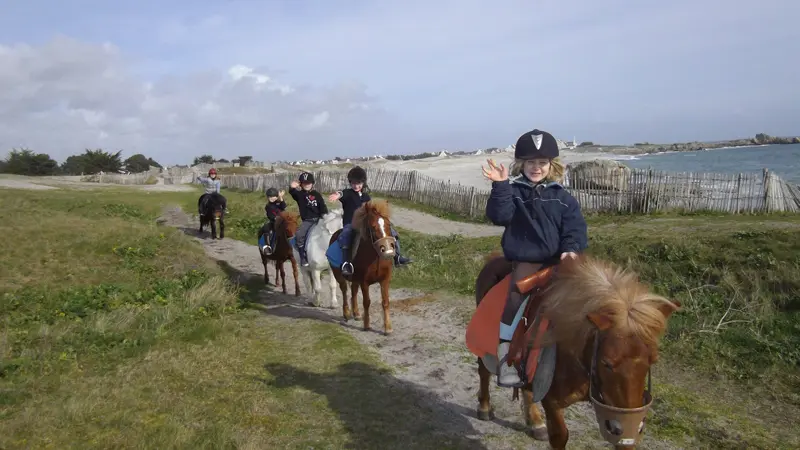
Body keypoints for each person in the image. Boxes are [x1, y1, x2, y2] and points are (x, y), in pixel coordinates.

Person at [482, 129, 588, 387]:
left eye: (542, 163)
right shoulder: (513, 192)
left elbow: (574, 229)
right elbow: (500, 216)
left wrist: (571, 250)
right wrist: (500, 185)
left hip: (558, 263)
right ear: (522, 164)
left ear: (551, 165)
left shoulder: (564, 199)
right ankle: (505, 352)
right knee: (516, 297)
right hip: (527, 262)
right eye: (531, 163)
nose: (536, 168)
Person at [328, 166, 412, 276]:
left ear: (363, 183)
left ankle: (398, 256)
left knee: (391, 230)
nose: (356, 186)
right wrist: (337, 194)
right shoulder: (348, 193)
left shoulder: (366, 196)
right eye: (353, 183)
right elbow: (342, 193)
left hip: (365, 225)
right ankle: (346, 263)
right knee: (346, 235)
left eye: (359, 183)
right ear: (350, 183)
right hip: (351, 224)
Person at [290, 172, 328, 267]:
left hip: (319, 219)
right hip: (308, 221)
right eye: (304, 183)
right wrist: (292, 187)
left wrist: (325, 217)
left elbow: (322, 207)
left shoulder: (317, 195)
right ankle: (303, 256)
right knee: (299, 234)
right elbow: (292, 192)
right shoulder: (299, 195)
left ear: (312, 183)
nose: (307, 185)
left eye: (308, 183)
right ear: (301, 184)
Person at [258, 187, 287, 255]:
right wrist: (275, 218)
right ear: (267, 197)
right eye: (270, 197)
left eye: (274, 196)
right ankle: (267, 246)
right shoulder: (268, 206)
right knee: (267, 229)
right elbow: (270, 215)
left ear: (277, 197)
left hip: (283, 221)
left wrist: (281, 198)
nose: (272, 198)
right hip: (274, 221)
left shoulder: (278, 203)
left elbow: (284, 206)